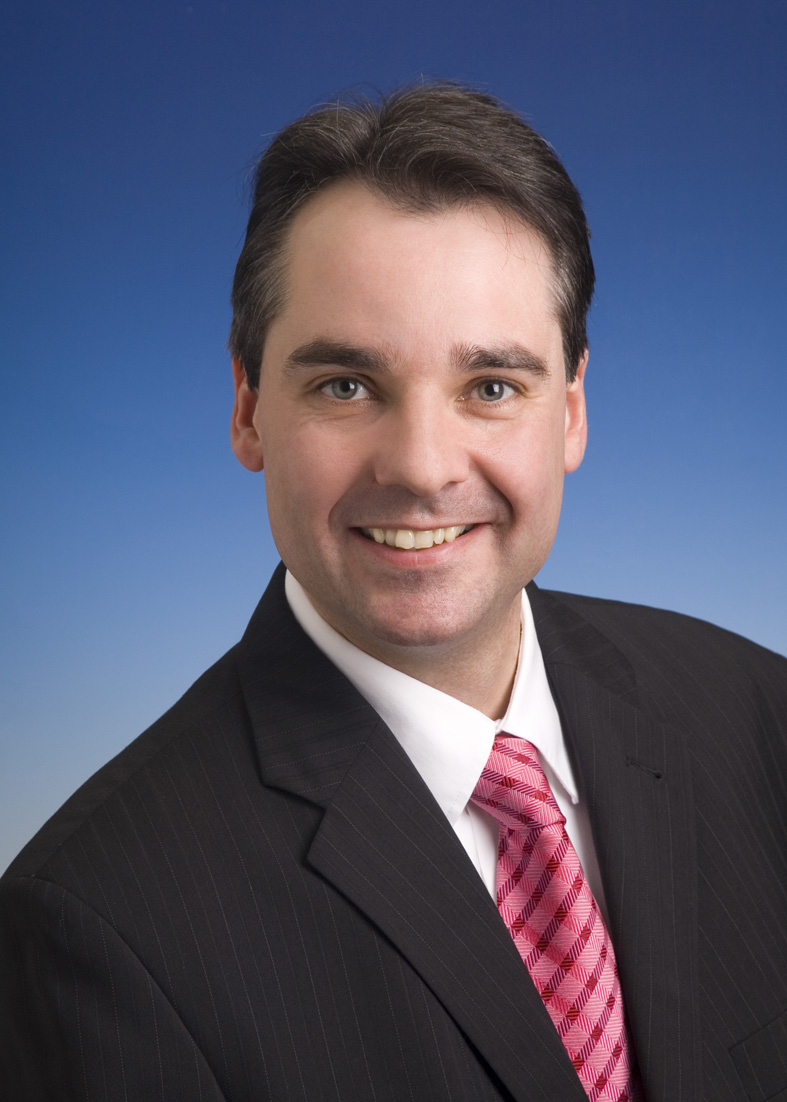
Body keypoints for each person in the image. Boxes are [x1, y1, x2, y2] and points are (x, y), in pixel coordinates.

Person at [1, 82, 786, 1102]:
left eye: (491, 387)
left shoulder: (757, 717)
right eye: (346, 386)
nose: (420, 467)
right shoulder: (96, 927)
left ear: (571, 413)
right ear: (247, 409)